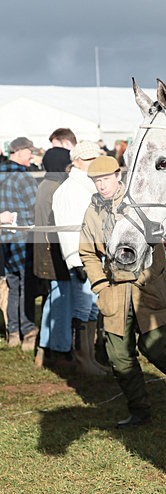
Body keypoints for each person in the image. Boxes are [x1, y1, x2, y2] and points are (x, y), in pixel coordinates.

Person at [79, 156, 166, 427]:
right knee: (119, 358)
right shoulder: (93, 211)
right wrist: (99, 284)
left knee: (155, 347)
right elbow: (87, 252)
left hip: (148, 288)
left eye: (106, 179)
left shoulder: (141, 199)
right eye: (97, 181)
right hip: (115, 292)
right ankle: (139, 411)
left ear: (118, 176)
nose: (102, 185)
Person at [52, 140, 106, 375]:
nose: (94, 163)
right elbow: (68, 228)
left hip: (95, 255)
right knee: (83, 308)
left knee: (92, 308)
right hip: (82, 257)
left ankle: (90, 358)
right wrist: (75, 260)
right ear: (77, 161)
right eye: (89, 159)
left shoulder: (88, 185)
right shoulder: (69, 190)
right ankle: (83, 359)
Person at [33, 147, 73, 369]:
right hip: (54, 253)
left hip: (46, 252)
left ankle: (44, 348)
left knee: (53, 300)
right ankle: (58, 351)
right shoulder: (56, 188)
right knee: (61, 302)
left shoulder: (45, 185)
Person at [0, 137, 39, 350]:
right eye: (29, 151)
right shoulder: (23, 176)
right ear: (19, 151)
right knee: (26, 287)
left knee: (13, 285)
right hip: (23, 238)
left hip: (5, 238)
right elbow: (35, 205)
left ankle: (13, 332)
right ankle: (28, 332)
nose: (31, 156)